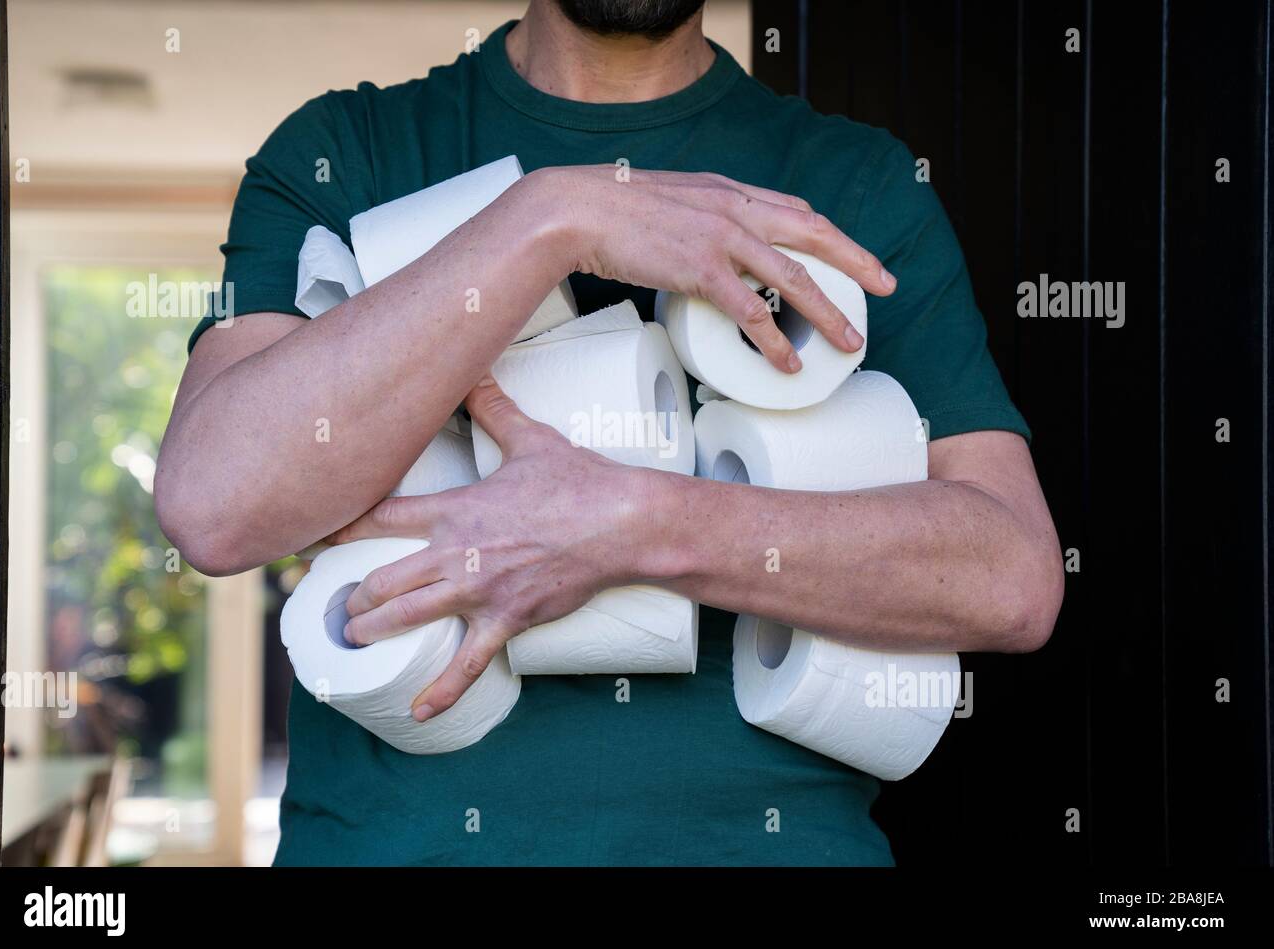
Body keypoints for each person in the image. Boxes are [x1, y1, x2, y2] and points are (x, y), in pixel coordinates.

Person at [155, 0, 1063, 865]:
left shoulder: (849, 185)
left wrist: (632, 525)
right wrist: (556, 220)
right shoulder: (347, 152)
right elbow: (215, 508)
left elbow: (1013, 577)